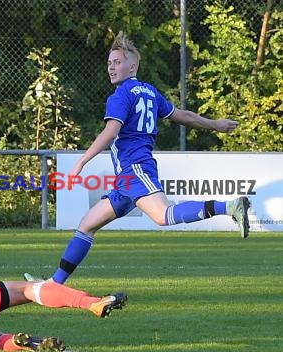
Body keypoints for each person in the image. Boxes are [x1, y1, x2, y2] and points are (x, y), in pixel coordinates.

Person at [25, 31, 251, 285]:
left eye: (117, 62)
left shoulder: (121, 95)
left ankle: (229, 206)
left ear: (132, 66)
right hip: (126, 179)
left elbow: (111, 132)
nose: (111, 67)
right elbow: (183, 117)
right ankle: (55, 285)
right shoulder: (150, 92)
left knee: (163, 215)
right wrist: (215, 124)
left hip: (135, 169)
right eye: (109, 63)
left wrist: (81, 161)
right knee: (87, 224)